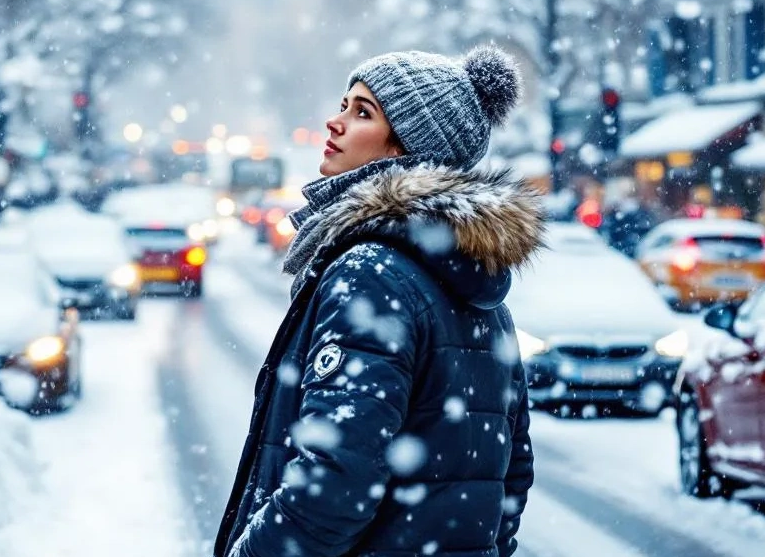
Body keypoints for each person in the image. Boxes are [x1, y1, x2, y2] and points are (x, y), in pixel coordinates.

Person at [215, 47, 544, 557]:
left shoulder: (370, 273)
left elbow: (331, 486)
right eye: (345, 103)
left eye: (362, 112)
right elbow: (510, 474)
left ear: (404, 152)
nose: (336, 121)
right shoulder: (478, 286)